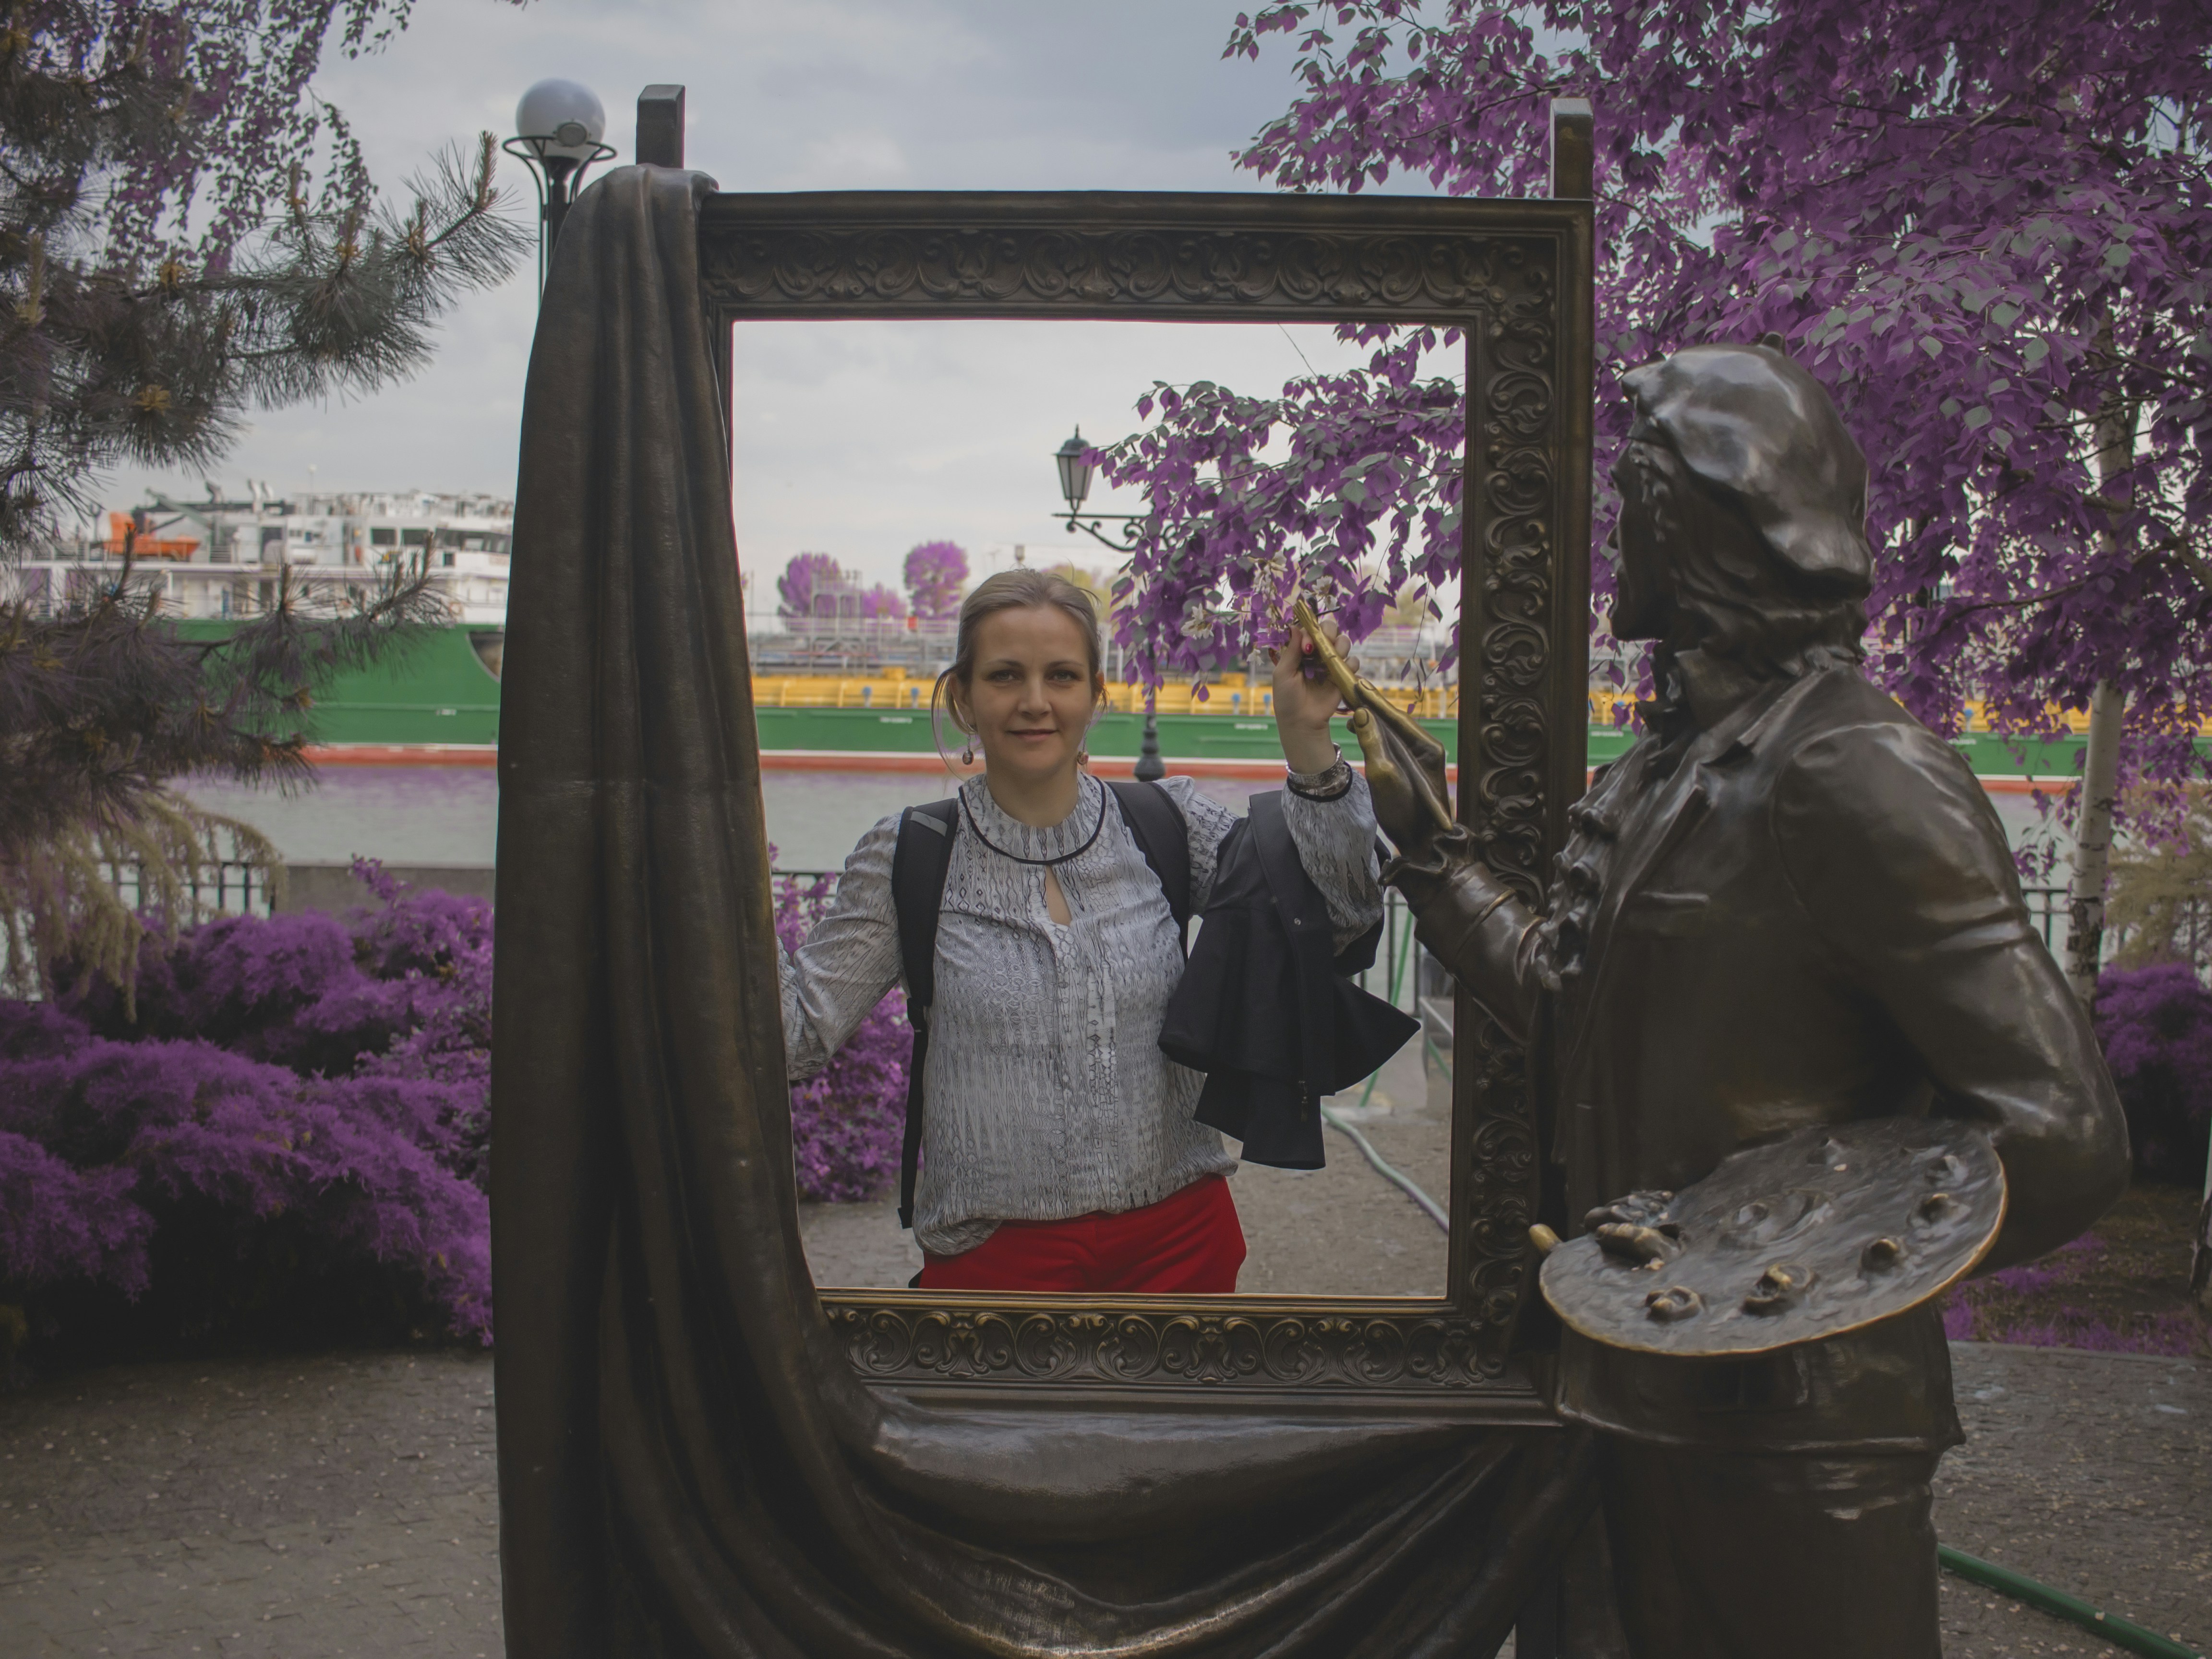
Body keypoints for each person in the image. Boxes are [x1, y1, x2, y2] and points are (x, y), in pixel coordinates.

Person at [1359, 342, 2129, 1659]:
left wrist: (1738, 1263)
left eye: (1631, 497)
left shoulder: (1855, 773)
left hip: (1793, 1437)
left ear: (1691, 515)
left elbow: (2059, 1133)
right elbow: (1572, 1017)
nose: (1615, 533)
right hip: (1617, 1400)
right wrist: (1435, 859)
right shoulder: (1671, 771)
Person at [778, 567, 1384, 1293]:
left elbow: (1338, 924)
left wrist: (1309, 747)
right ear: (963, 698)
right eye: (1005, 676)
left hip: (1182, 1251)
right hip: (994, 1271)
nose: (1035, 702)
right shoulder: (908, 856)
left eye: (1061, 676)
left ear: (1096, 695)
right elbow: (794, 1038)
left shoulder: (1169, 825)